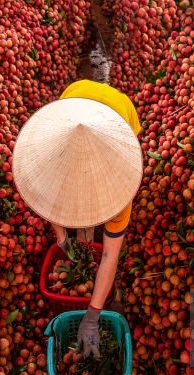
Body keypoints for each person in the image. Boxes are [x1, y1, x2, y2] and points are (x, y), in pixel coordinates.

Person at [12, 80, 142, 358]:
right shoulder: (51, 168)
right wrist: (61, 236)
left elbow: (110, 255)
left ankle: (84, 233)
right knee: (71, 209)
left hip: (121, 112)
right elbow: (47, 198)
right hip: (75, 97)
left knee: (96, 215)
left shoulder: (120, 197)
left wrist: (93, 315)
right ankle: (80, 234)